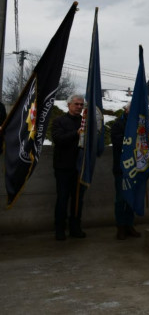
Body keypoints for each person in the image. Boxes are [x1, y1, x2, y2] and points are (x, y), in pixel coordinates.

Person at [51, 94, 86, 240]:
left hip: (80, 167)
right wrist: (76, 134)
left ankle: (75, 227)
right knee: (63, 198)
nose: (79, 107)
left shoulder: (85, 122)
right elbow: (58, 139)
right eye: (76, 104)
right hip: (63, 167)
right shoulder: (59, 121)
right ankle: (60, 229)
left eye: (81, 105)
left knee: (78, 199)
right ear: (69, 105)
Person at [111, 103, 141, 240]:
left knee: (131, 199)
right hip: (121, 168)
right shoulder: (118, 124)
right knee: (120, 199)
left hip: (135, 168)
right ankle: (120, 227)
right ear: (126, 110)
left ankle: (129, 225)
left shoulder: (139, 124)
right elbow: (118, 143)